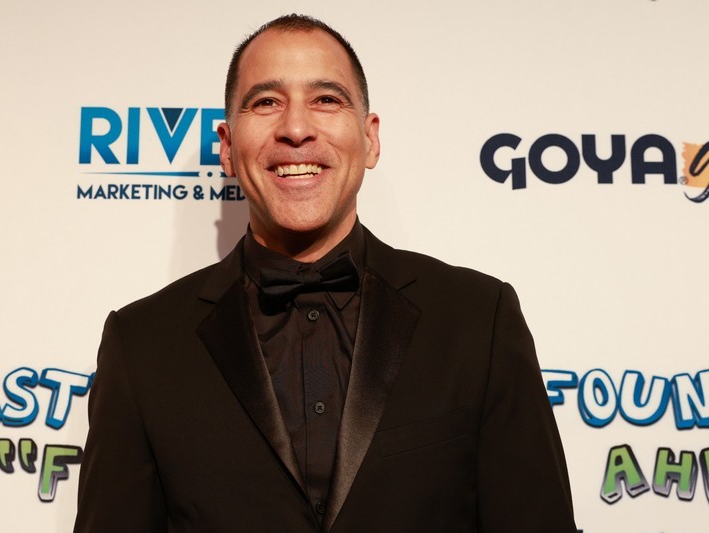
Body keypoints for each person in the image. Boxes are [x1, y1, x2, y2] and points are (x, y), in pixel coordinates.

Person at [74, 14, 577, 532]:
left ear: (370, 138)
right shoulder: (142, 344)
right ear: (226, 146)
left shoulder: (478, 320)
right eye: (266, 102)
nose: (296, 129)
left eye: (326, 99)